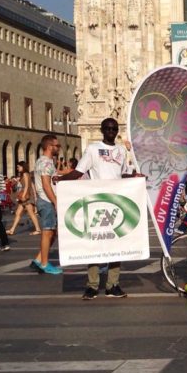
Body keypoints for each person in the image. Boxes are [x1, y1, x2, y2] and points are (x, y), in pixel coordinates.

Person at [63, 117, 135, 299]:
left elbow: (124, 173)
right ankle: (92, 285)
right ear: (102, 130)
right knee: (94, 244)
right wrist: (61, 179)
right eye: (108, 129)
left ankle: (113, 284)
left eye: (114, 129)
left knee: (116, 244)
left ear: (117, 131)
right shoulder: (93, 149)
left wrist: (138, 177)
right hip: (97, 201)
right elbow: (79, 171)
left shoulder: (120, 150)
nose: (111, 131)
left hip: (117, 202)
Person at [31, 134, 64, 275]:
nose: (59, 148)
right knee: (47, 233)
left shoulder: (44, 161)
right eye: (57, 146)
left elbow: (51, 178)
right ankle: (44, 264)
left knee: (52, 233)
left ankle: (39, 260)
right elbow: (46, 184)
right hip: (46, 200)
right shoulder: (45, 162)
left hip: (45, 200)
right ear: (50, 146)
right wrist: (55, 201)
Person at [7, 161, 41, 236]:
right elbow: (32, 185)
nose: (17, 168)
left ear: (23, 167)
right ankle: (12, 230)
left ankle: (38, 229)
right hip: (27, 196)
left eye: (18, 167)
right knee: (18, 213)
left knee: (31, 213)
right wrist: (34, 196)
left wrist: (23, 196)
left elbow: (26, 186)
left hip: (26, 197)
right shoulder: (26, 174)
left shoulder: (25, 174)